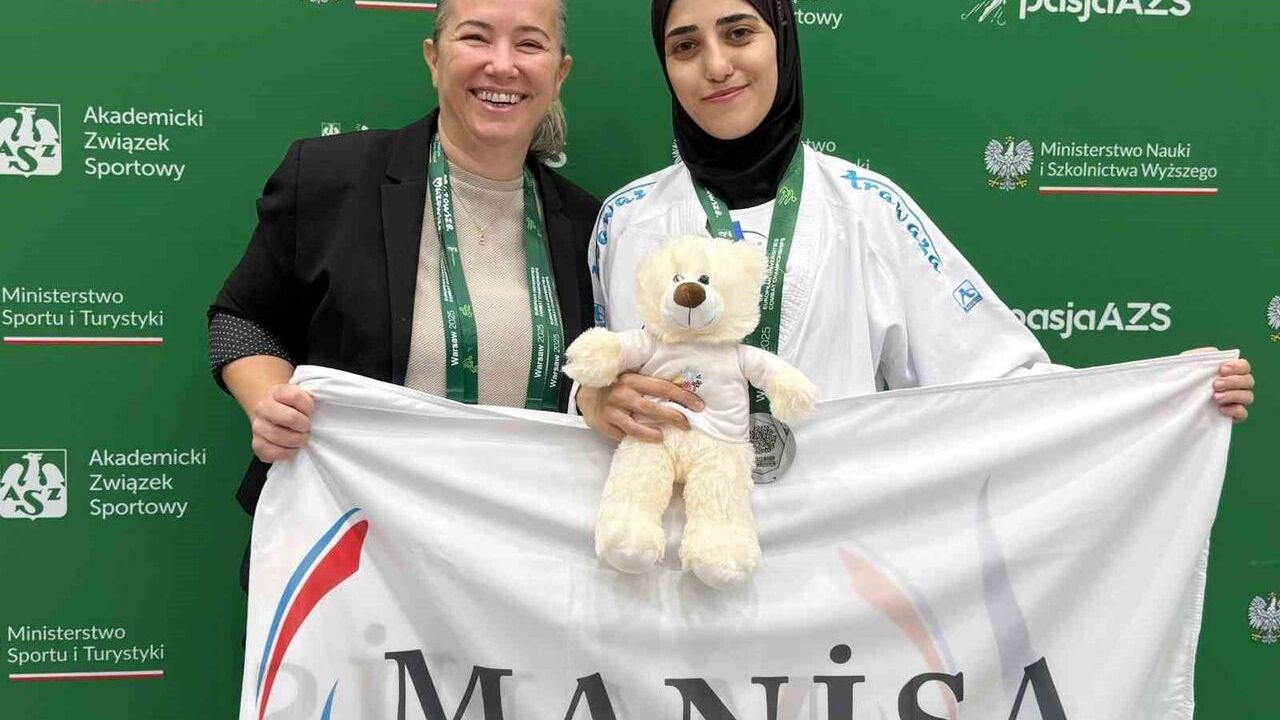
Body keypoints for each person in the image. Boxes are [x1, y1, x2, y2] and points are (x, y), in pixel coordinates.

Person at [578, 0, 1253, 441]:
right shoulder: (626, 220)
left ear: (782, 38)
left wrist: (1161, 393)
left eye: (739, 32)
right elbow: (581, 406)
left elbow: (996, 384)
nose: (716, 65)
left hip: (831, 566)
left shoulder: (866, 208)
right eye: (685, 46)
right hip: (670, 571)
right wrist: (590, 403)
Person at [208, 0, 600, 578]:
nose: (502, 64)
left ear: (559, 73)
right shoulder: (330, 179)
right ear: (434, 58)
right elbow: (242, 319)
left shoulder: (589, 229)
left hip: (518, 573)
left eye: (529, 44)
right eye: (476, 38)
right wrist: (268, 401)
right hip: (346, 561)